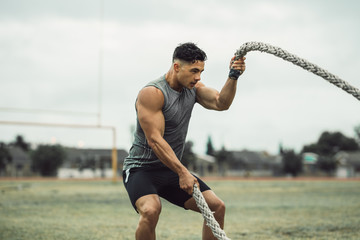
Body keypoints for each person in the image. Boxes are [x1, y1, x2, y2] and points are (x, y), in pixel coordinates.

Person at [122, 42, 246, 240]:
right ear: (177, 67)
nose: (198, 77)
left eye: (201, 72)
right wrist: (182, 172)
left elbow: (221, 103)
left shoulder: (194, 89)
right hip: (141, 169)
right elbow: (155, 140)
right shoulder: (153, 93)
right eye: (194, 71)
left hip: (170, 169)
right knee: (151, 210)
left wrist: (233, 76)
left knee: (217, 207)